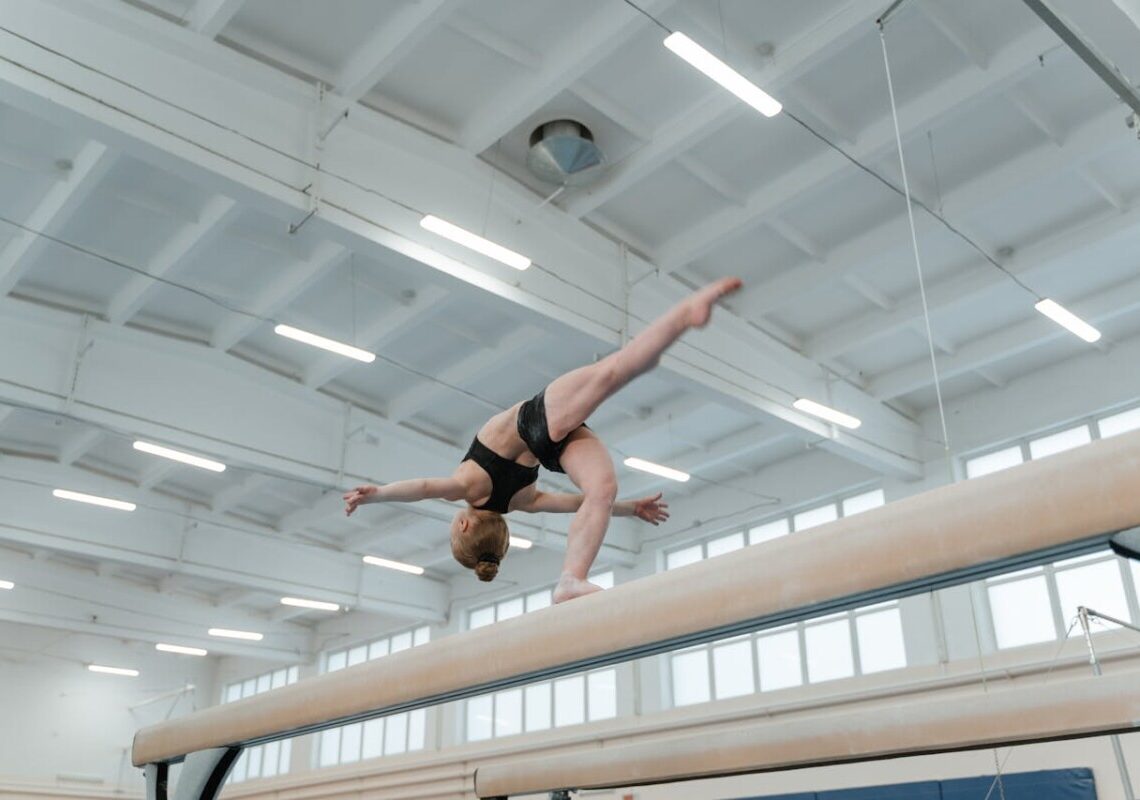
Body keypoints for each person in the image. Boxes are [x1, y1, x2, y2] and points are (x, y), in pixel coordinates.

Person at [344, 277, 743, 603]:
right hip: (535, 422)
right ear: (464, 524)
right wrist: (376, 494)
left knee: (600, 489)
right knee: (614, 373)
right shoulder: (472, 488)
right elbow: (425, 488)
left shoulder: (521, 502)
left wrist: (629, 509)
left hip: (551, 444)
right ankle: (683, 316)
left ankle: (572, 578)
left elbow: (575, 504)